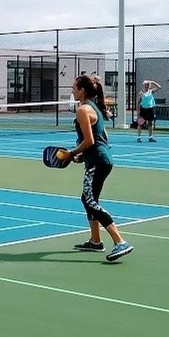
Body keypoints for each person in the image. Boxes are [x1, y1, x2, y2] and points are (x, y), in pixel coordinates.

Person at [68, 74, 132, 262]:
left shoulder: (83, 110)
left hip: (98, 160)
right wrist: (82, 156)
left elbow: (90, 140)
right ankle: (95, 241)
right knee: (89, 198)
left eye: (74, 87)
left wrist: (72, 153)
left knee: (89, 201)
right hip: (99, 159)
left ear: (82, 90)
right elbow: (103, 138)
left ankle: (120, 241)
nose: (72, 90)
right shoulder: (93, 107)